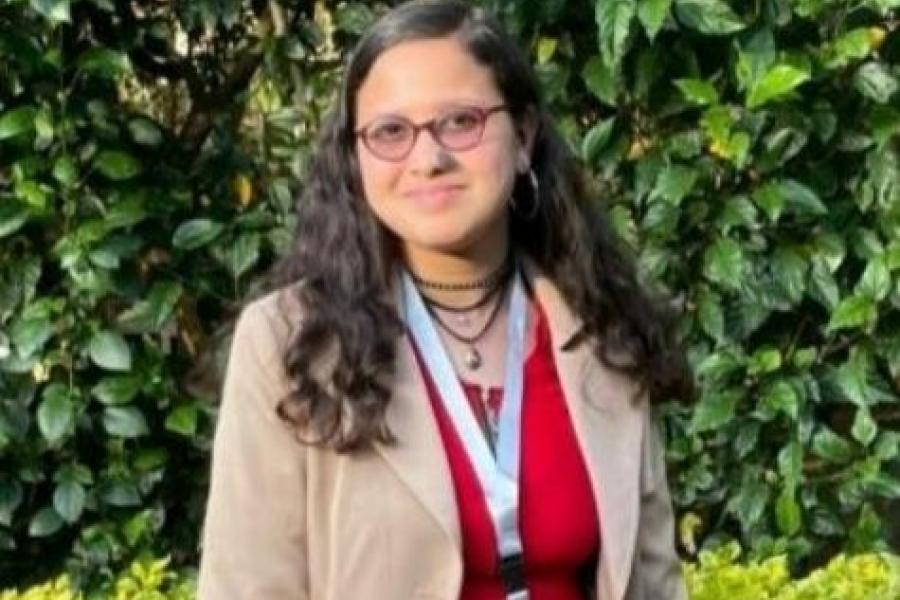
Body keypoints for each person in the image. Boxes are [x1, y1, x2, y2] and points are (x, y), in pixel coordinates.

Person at [198, 1, 692, 598]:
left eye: (461, 121)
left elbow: (654, 579)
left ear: (524, 135)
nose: (428, 160)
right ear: (356, 157)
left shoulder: (596, 324)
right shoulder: (292, 344)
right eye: (390, 132)